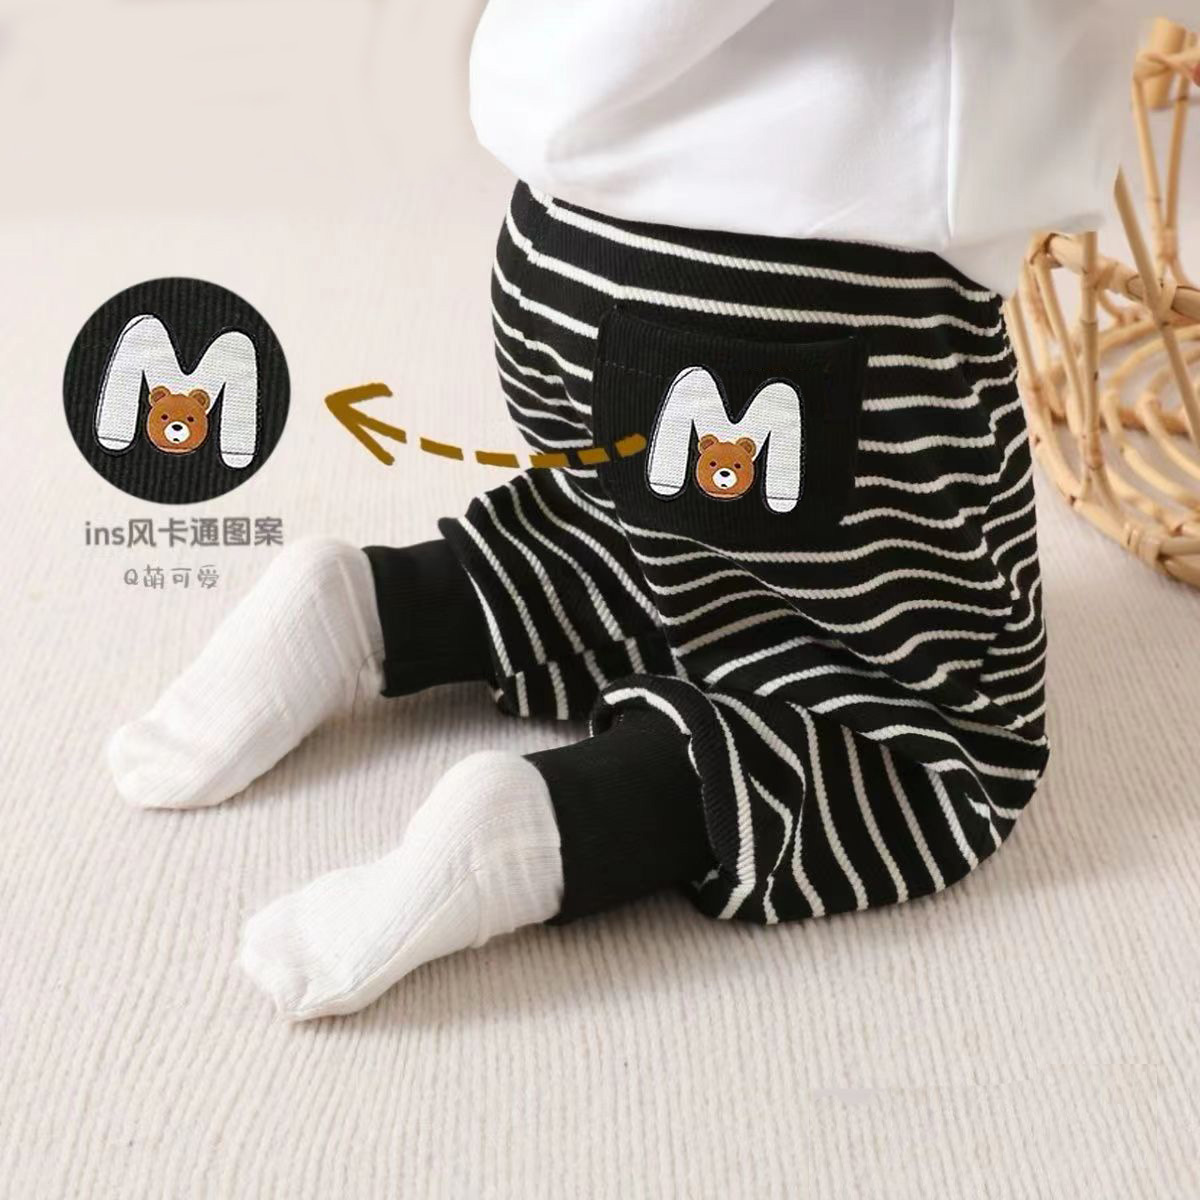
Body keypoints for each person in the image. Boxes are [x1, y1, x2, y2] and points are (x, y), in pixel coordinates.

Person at [109, 1, 1172, 1020]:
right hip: (821, 300)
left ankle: (369, 605)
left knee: (626, 543)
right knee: (940, 742)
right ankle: (545, 821)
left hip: (560, 243)